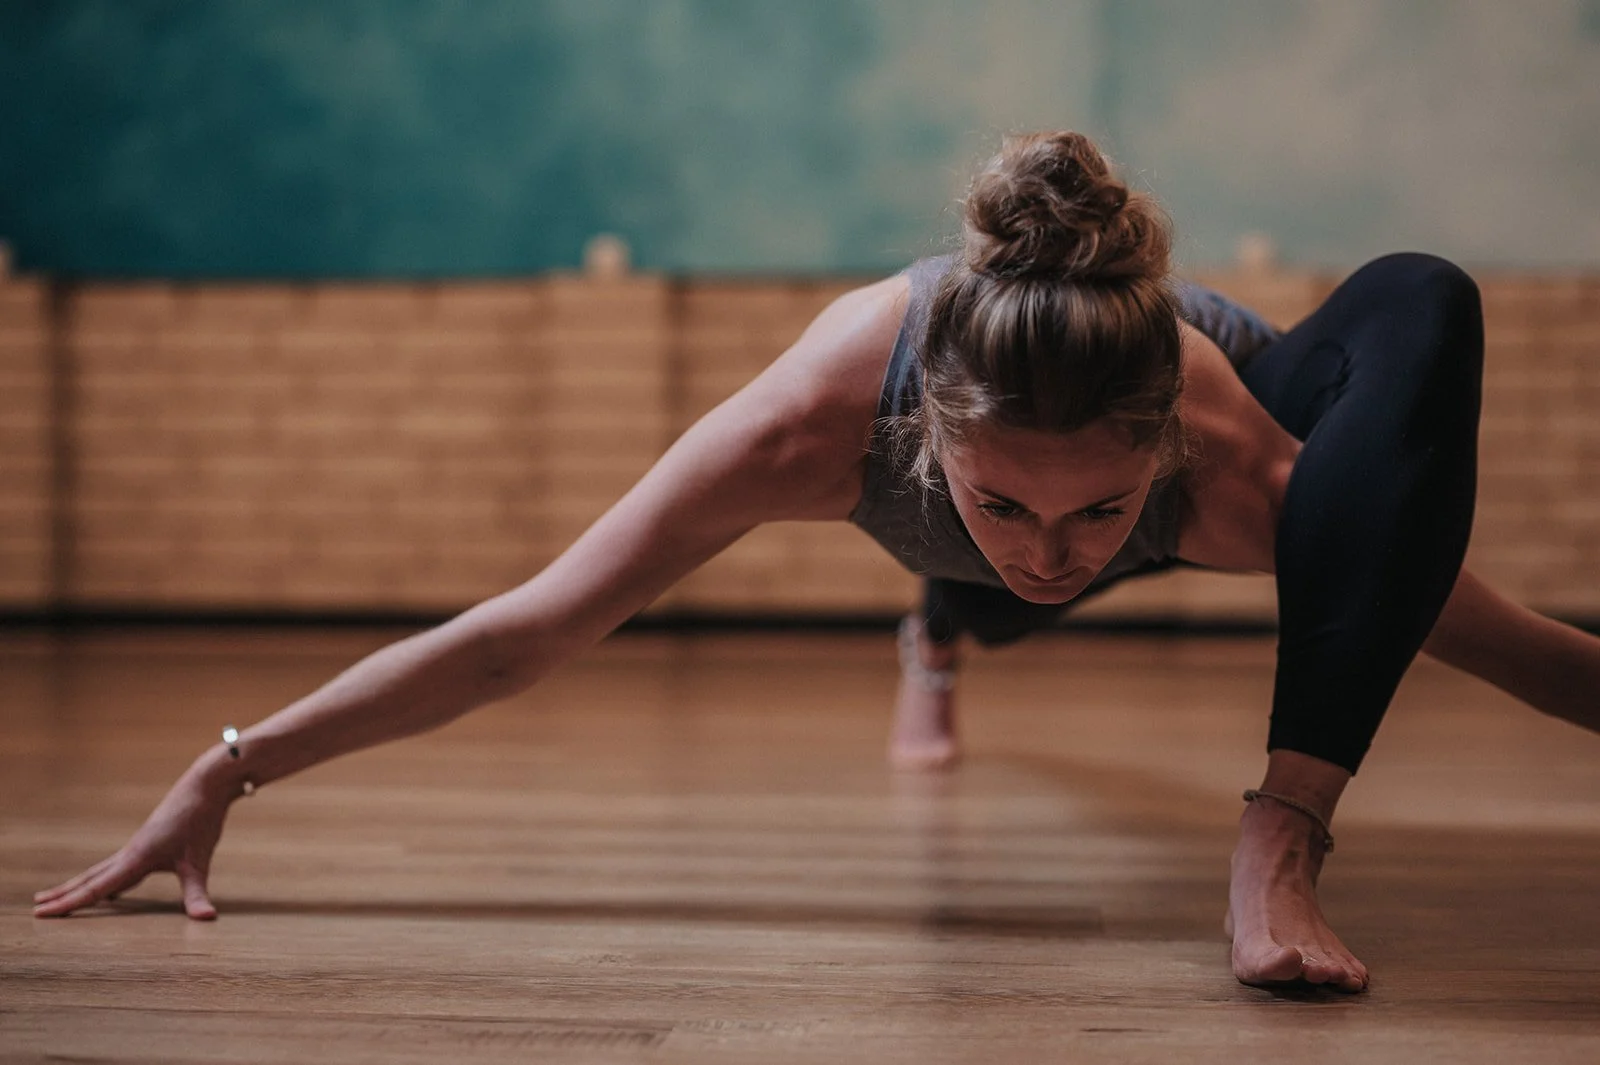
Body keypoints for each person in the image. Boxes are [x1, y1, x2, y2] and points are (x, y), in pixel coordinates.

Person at [33, 131, 1600, 996]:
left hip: (1221, 471)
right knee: (993, 602)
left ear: (1163, 463)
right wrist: (230, 764)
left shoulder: (1250, 471)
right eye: (1005, 503)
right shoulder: (806, 428)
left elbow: (1509, 647)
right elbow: (527, 631)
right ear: (929, 447)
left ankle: (1278, 833)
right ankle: (938, 631)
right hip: (951, 527)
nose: (1052, 547)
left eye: (1096, 515)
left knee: (1421, 294)